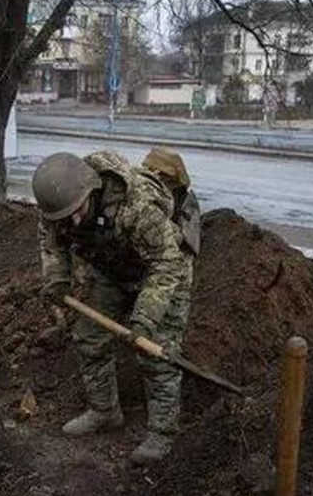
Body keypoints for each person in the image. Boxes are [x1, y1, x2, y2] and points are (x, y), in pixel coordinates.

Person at [33, 149, 197, 464]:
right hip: (112, 265)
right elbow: (51, 242)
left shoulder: (136, 206)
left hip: (164, 266)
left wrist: (145, 318)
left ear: (91, 191)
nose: (74, 221)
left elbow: (167, 263)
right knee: (90, 337)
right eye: (66, 218)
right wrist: (57, 280)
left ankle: (162, 432)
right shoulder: (58, 207)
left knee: (155, 351)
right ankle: (105, 411)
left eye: (78, 212)